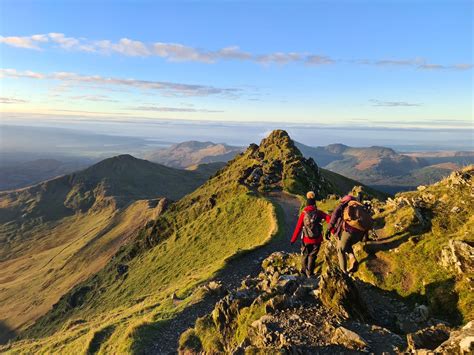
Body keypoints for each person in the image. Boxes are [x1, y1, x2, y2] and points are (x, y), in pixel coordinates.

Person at [325, 195, 371, 274]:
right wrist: (365, 237)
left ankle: (343, 272)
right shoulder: (359, 206)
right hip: (360, 234)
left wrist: (328, 229)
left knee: (340, 249)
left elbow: (334, 216)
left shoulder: (342, 206)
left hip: (349, 232)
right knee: (347, 244)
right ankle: (352, 258)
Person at [291, 191, 330, 277]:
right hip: (317, 239)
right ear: (314, 204)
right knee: (312, 256)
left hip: (306, 239)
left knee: (305, 254)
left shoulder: (303, 214)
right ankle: (310, 273)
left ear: (307, 205)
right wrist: (332, 229)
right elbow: (329, 218)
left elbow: (298, 228)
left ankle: (304, 272)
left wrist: (293, 239)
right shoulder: (319, 213)